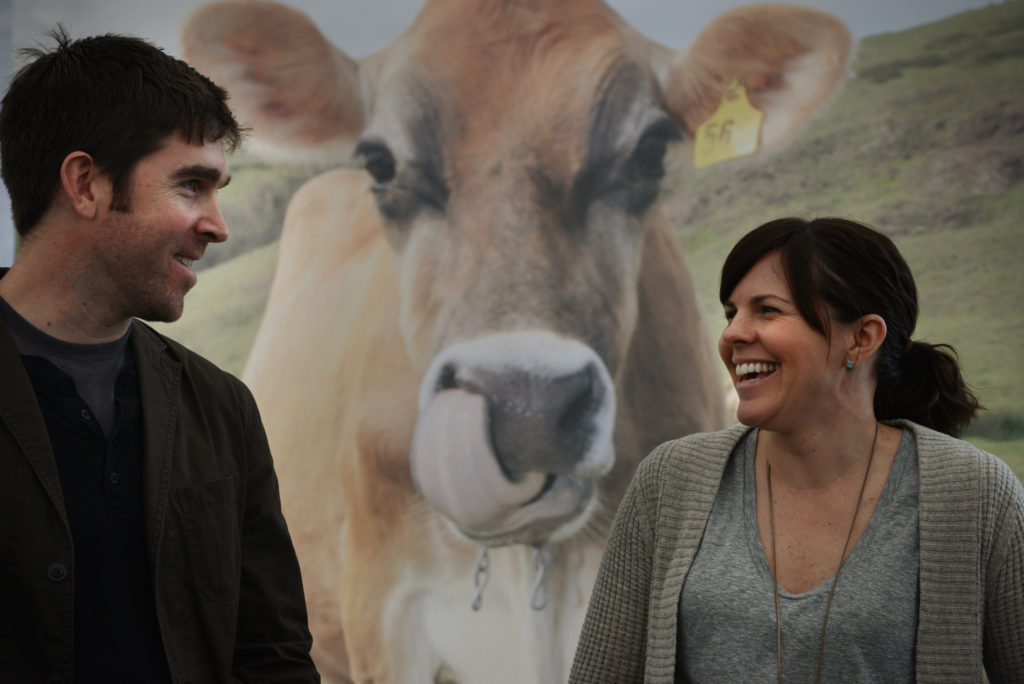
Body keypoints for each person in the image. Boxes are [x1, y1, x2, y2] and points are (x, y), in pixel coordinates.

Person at [570, 217, 1023, 682]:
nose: (732, 335)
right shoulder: (669, 480)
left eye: (767, 310)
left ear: (861, 338)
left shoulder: (975, 494)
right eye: (731, 313)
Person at [0, 28, 320, 682]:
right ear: (85, 183)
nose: (218, 225)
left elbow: (272, 656)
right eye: (191, 185)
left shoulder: (222, 409)